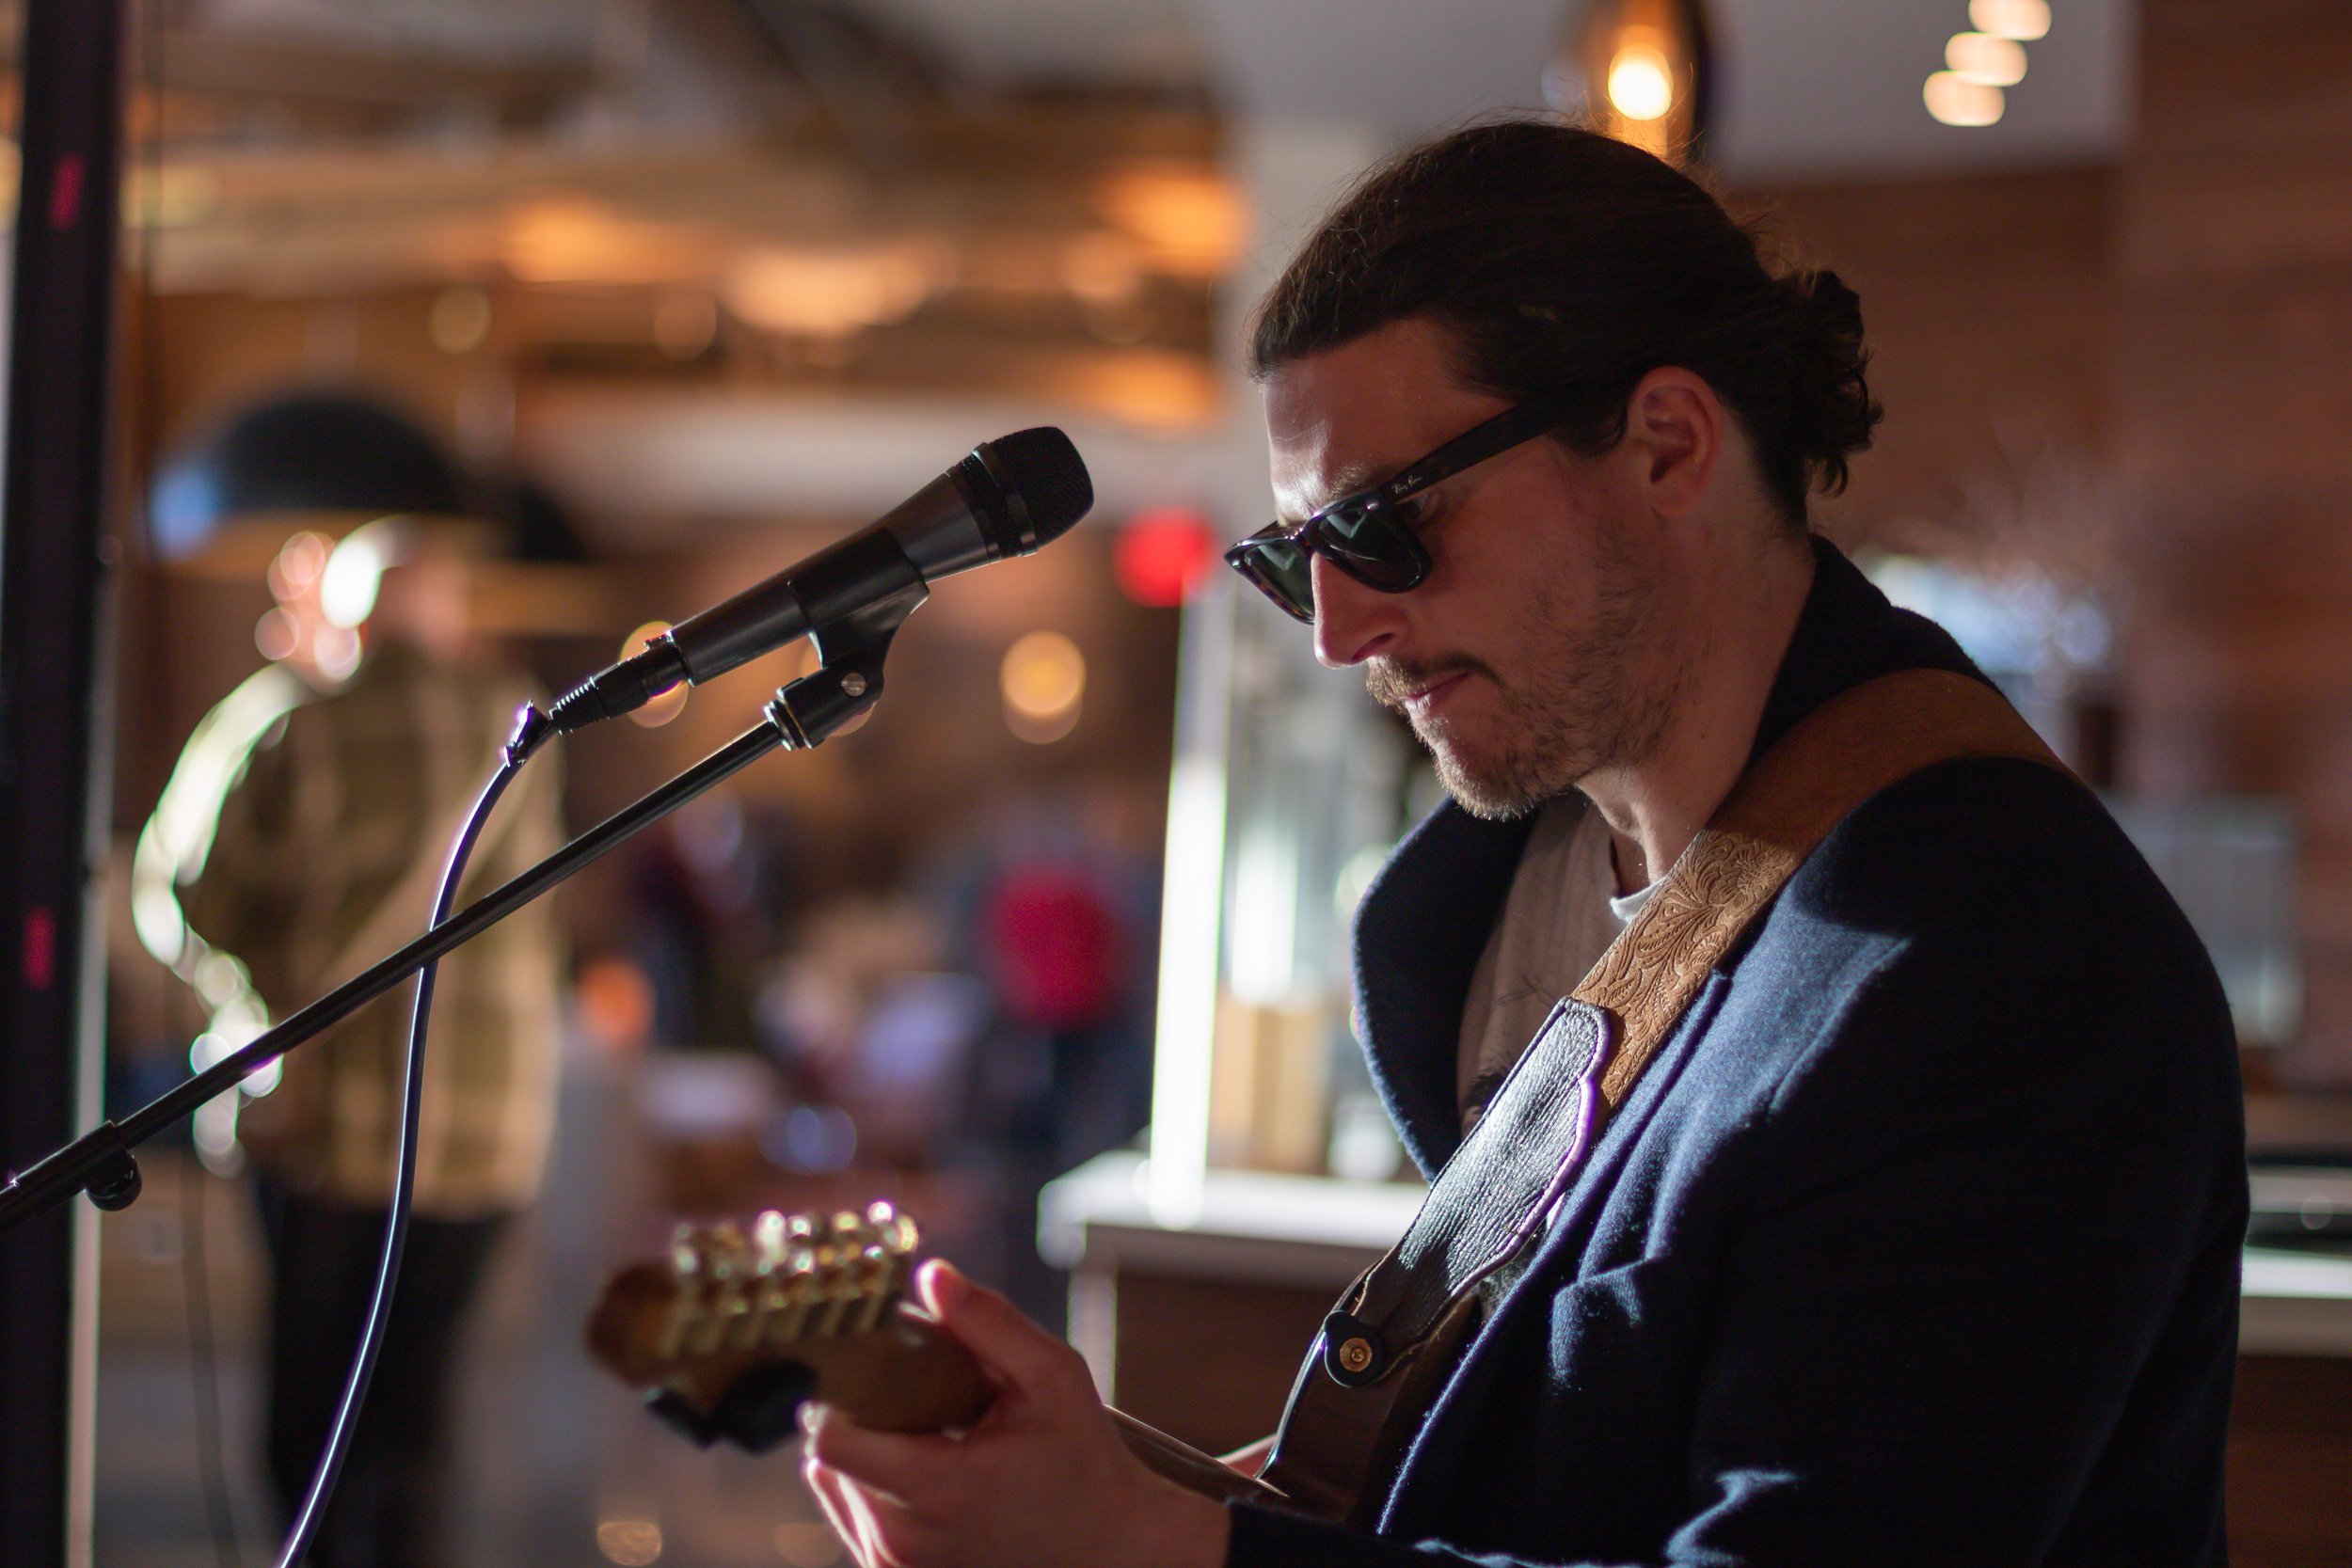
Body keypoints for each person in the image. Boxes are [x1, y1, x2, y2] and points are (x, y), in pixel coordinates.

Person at [794, 120, 2246, 1567]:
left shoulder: (1996, 952)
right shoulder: (1509, 899)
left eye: (1381, 523)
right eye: (1296, 555)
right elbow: (1558, 1478)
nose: (1340, 627)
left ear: (1669, 442)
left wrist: (1151, 1547)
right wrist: (1109, 1491)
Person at [155, 517, 565, 1568]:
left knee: (313, 1409)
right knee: (421, 1407)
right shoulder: (518, 727)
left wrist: (256, 982)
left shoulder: (291, 720)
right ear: (448, 611)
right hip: (488, 1128)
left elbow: (186, 892)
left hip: (326, 1120)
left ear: (347, 612)